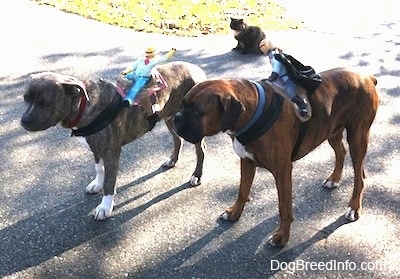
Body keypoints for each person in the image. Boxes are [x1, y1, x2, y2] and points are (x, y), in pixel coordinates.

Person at [258, 39, 308, 117]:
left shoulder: (275, 56)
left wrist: (272, 77)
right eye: (261, 46)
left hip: (287, 79)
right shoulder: (272, 56)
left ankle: (302, 105)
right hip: (280, 79)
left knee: (290, 93)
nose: (262, 48)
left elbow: (276, 68)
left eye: (263, 45)